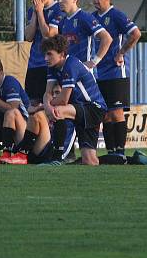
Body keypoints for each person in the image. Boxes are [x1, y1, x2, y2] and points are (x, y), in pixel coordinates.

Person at [91, 0, 142, 163]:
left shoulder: (116, 15)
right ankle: (111, 151)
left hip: (115, 72)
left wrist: (121, 52)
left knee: (116, 112)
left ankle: (120, 151)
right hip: (99, 72)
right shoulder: (93, 17)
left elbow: (136, 33)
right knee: (105, 113)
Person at [42, 35, 107, 166]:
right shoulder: (52, 67)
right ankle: (130, 160)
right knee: (90, 161)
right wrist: (46, 105)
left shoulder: (71, 65)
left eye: (49, 54)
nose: (46, 58)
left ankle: (56, 158)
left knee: (58, 111)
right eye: (45, 54)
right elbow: (47, 93)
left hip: (93, 108)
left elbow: (64, 99)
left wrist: (47, 107)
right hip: (80, 109)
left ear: (61, 53)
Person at [24, 0, 63, 106]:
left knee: (50, 102)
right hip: (34, 62)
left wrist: (40, 12)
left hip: (50, 64)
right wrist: (35, 13)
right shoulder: (32, 10)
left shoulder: (58, 9)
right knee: (33, 102)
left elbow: (49, 35)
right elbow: (28, 37)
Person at [56, 0, 112, 68]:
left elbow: (107, 38)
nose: (60, 1)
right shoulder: (63, 21)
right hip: (69, 70)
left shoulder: (85, 17)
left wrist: (94, 62)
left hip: (84, 73)